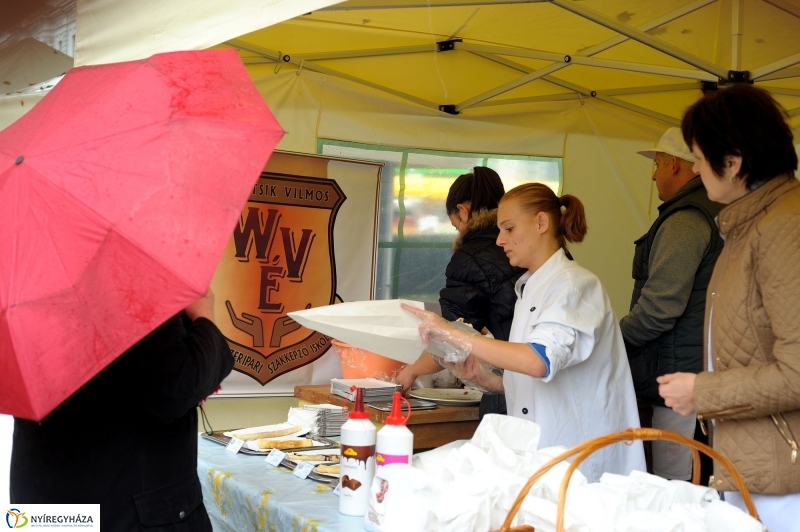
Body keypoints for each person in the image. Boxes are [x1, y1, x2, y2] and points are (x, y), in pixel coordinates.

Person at [404, 183, 645, 482]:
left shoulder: (573, 285)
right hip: (543, 451)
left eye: (508, 228)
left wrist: (455, 334)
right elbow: (533, 377)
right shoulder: (529, 287)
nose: (500, 240)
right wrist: (483, 379)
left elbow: (538, 360)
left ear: (541, 223)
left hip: (578, 454)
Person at [658, 84, 800, 532]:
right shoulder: (749, 224)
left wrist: (703, 392)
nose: (695, 169)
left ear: (734, 162)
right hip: (755, 462)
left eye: (699, 156)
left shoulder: (784, 226)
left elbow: (797, 370)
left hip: (784, 477)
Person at [11, 289, 234, 530]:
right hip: (125, 504)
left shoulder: (23, 277)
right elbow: (176, 387)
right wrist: (204, 315)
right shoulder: (127, 275)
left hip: (41, 503)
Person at [620, 127, 723, 481]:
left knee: (675, 492)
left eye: (659, 164)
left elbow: (658, 309)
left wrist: (612, 341)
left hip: (681, 388)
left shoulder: (685, 220)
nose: (653, 174)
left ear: (677, 166)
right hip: (704, 376)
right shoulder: (715, 212)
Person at [395, 167, 524, 418]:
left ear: (463, 211)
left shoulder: (472, 256)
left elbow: (453, 337)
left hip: (521, 383)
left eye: (456, 226)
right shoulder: (539, 252)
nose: (502, 243)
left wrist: (411, 371)